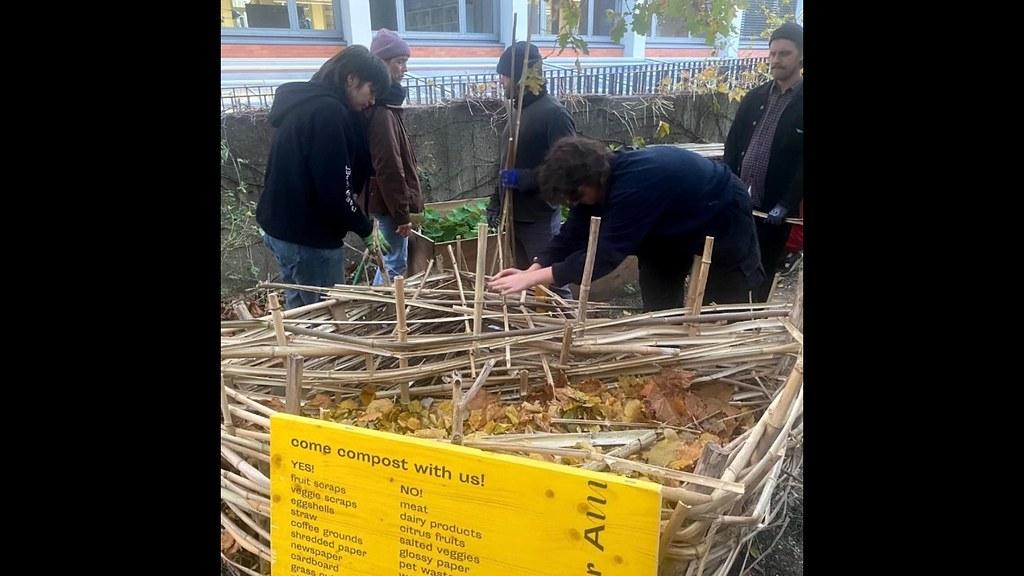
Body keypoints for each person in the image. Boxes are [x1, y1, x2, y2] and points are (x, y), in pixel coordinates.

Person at [488, 137, 765, 311]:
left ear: (591, 178)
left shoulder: (634, 186)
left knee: (724, 301)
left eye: (576, 196)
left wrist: (533, 280)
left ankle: (728, 354)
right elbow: (571, 234)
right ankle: (667, 355)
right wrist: (534, 268)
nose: (574, 203)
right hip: (666, 227)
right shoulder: (595, 186)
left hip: (721, 211)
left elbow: (603, 257)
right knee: (658, 299)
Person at [256, 46, 391, 309]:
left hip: (281, 230)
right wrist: (364, 229)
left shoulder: (304, 104)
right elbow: (334, 189)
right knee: (327, 315)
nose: (372, 101)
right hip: (309, 239)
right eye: (371, 90)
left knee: (300, 312)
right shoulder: (328, 113)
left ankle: (297, 338)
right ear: (351, 79)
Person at [724, 22, 803, 301]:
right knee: (730, 265)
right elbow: (732, 146)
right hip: (740, 200)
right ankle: (724, 315)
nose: (776, 60)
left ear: (801, 56)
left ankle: (753, 317)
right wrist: (727, 185)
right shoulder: (754, 98)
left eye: (784, 53)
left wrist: (786, 203)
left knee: (762, 269)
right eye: (772, 53)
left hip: (774, 210)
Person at [486, 41, 576, 270]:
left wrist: (523, 178)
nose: (501, 81)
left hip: (539, 220)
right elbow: (505, 165)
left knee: (548, 282)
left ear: (519, 76)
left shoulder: (554, 114)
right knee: (522, 282)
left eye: (505, 75)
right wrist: (496, 202)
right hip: (513, 216)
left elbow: (568, 168)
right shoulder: (516, 113)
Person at [363, 29, 424, 285]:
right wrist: (401, 213)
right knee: (394, 263)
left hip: (385, 201)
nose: (404, 69)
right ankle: (384, 307)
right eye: (399, 62)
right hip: (388, 205)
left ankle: (379, 303)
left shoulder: (386, 106)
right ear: (381, 64)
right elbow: (388, 167)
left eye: (405, 62)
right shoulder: (382, 112)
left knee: (389, 260)